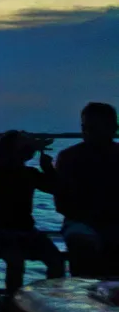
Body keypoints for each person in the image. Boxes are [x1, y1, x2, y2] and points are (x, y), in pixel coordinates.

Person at [0, 130, 65, 292]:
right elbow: (11, 164)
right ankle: (12, 301)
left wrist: (48, 169)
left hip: (28, 231)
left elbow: (56, 188)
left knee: (56, 259)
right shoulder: (0, 167)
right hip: (1, 232)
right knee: (16, 261)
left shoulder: (29, 173)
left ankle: (52, 299)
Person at [55, 102, 119, 277]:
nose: (88, 132)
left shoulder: (68, 157)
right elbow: (62, 203)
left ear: (112, 128)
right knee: (80, 241)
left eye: (94, 127)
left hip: (108, 221)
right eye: (86, 127)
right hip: (80, 221)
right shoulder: (68, 157)